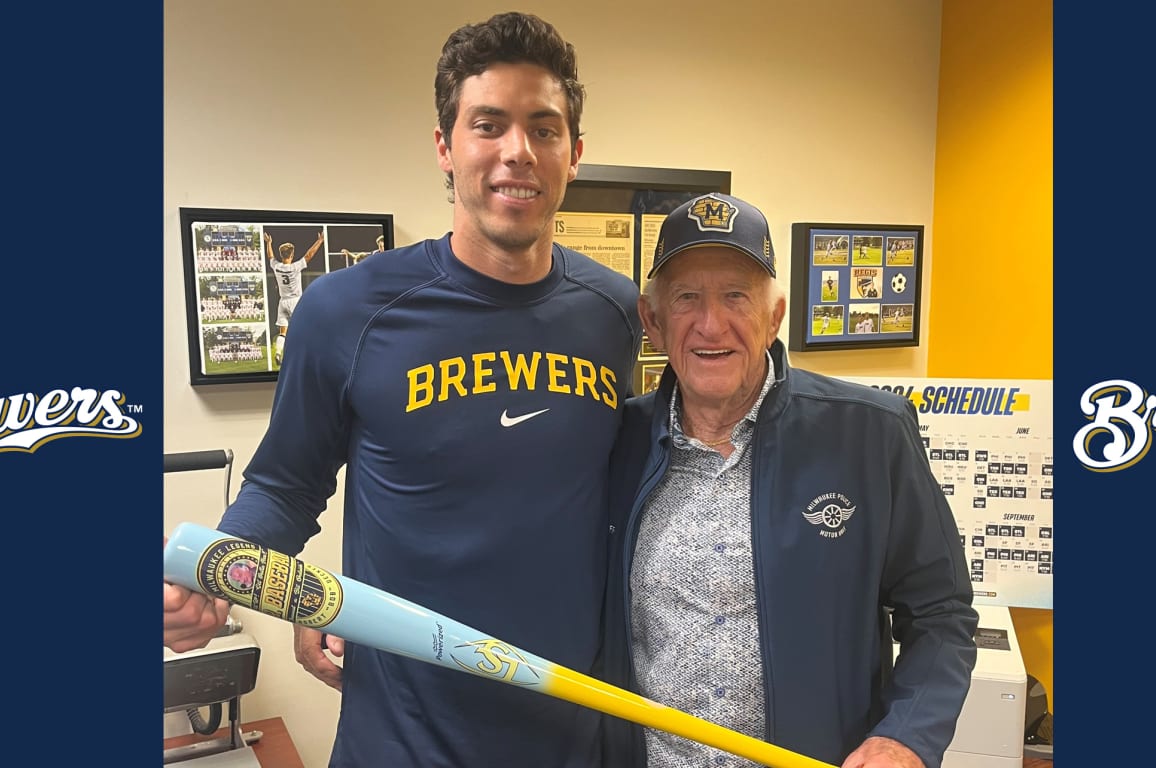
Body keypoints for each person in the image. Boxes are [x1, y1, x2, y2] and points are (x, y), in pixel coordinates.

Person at [163, 11, 642, 768]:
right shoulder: (345, 311)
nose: (517, 151)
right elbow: (285, 486)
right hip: (404, 734)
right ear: (446, 146)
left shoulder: (614, 312)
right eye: (489, 125)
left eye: (543, 129)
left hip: (571, 732)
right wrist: (213, 578)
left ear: (574, 154)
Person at [603, 193, 976, 768]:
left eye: (736, 296)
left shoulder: (870, 433)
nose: (711, 324)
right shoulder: (617, 442)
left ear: (774, 316)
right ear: (652, 322)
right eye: (686, 298)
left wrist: (904, 737)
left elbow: (941, 613)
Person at [267, 229, 324, 363]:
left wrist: (268, 243)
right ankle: (308, 355)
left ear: (281, 255)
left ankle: (278, 353)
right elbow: (309, 255)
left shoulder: (277, 267)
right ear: (292, 254)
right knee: (305, 328)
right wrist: (320, 241)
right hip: (296, 301)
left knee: (283, 332)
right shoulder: (295, 267)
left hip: (283, 302)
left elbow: (270, 257)